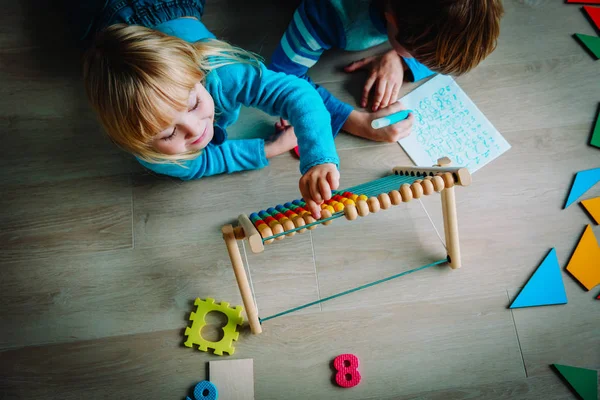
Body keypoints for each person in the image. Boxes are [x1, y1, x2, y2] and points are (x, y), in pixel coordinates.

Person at [77, 1, 343, 218]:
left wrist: (320, 157)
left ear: (195, 71)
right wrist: (268, 148)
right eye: (169, 134)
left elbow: (298, 93)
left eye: (193, 104)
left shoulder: (224, 72)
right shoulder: (150, 152)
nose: (196, 130)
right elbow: (200, 164)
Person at [269, 0, 504, 143]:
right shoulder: (328, 15)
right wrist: (357, 122)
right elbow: (281, 77)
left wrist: (401, 59)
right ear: (392, 19)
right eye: (418, 56)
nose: (421, 62)